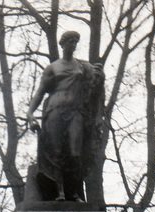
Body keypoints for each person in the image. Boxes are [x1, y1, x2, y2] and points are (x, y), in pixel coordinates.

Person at [26, 31, 104, 202]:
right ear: (63, 44)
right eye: (70, 41)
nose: (73, 44)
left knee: (75, 152)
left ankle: (74, 192)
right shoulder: (53, 68)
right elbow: (40, 93)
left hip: (75, 112)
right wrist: (30, 113)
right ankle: (60, 193)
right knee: (57, 151)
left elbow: (94, 84)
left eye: (76, 41)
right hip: (54, 112)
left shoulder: (83, 67)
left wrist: (99, 75)